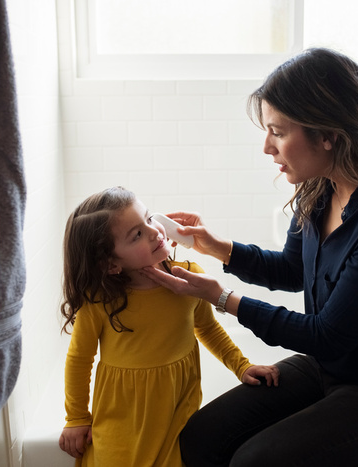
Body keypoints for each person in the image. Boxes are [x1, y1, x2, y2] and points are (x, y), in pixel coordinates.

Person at [143, 48, 358, 467]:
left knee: (256, 461)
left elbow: (327, 335)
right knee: (201, 436)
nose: (267, 146)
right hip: (332, 368)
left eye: (278, 132)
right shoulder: (322, 185)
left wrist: (221, 298)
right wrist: (214, 247)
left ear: (328, 135)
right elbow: (291, 269)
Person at [57, 186, 279, 467]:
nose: (154, 231)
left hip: (177, 407)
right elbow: (79, 360)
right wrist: (76, 417)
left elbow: (208, 329)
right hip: (125, 418)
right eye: (137, 234)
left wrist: (242, 366)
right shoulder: (102, 301)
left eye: (149, 219)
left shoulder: (189, 278)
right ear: (110, 264)